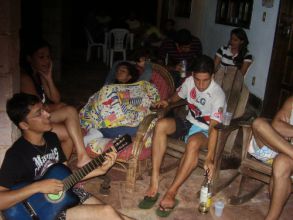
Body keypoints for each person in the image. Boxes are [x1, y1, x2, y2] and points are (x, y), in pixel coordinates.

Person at [0, 93, 132, 220]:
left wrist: (100, 170)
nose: (47, 114)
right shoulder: (16, 155)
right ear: (24, 125)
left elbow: (66, 177)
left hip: (63, 196)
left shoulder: (51, 138)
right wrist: (37, 187)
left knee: (119, 216)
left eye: (44, 109)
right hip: (41, 214)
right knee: (106, 212)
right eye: (39, 113)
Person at [138, 55, 225, 217]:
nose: (200, 85)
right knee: (161, 125)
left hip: (205, 131)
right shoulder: (189, 82)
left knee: (193, 143)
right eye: (197, 79)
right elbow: (177, 96)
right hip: (189, 122)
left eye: (205, 80)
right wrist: (168, 101)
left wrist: (210, 157)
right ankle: (154, 180)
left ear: (212, 76)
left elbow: (214, 128)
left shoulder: (218, 95)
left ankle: (171, 192)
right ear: (192, 75)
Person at [20, 39, 91, 167]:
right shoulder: (25, 79)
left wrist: (48, 78)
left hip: (40, 117)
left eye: (48, 57)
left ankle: (62, 166)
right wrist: (56, 107)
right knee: (69, 113)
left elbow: (55, 98)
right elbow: (39, 108)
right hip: (31, 122)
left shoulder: (39, 74)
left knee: (65, 108)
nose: (46, 61)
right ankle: (75, 159)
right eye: (41, 57)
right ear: (29, 59)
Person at [248, 96, 293, 220]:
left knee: (282, 162)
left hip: (286, 160)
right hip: (281, 147)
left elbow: (281, 128)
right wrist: (282, 134)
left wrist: (287, 130)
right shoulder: (291, 101)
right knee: (258, 123)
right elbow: (276, 125)